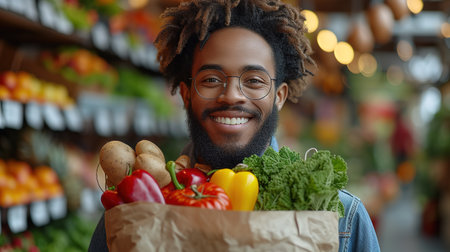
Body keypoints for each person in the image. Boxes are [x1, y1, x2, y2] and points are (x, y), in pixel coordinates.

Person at [89, 1, 380, 251]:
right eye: (211, 80)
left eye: (254, 81)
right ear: (187, 93)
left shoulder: (343, 219)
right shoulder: (129, 213)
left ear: (279, 97)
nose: (231, 95)